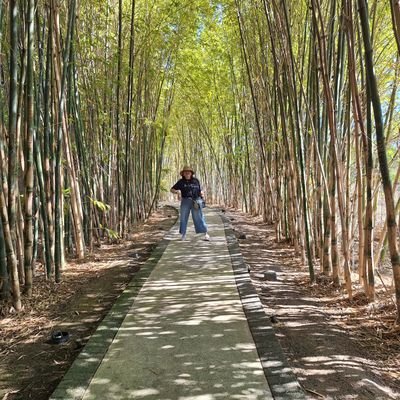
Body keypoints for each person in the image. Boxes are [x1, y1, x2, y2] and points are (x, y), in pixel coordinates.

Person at [171, 166, 210, 241]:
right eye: (185, 172)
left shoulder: (196, 181)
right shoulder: (181, 182)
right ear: (183, 174)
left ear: (191, 173)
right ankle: (183, 235)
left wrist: (202, 194)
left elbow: (200, 189)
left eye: (189, 172)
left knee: (199, 217)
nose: (187, 173)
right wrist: (177, 192)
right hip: (185, 201)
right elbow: (172, 189)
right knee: (183, 217)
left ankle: (205, 234)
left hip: (196, 200)